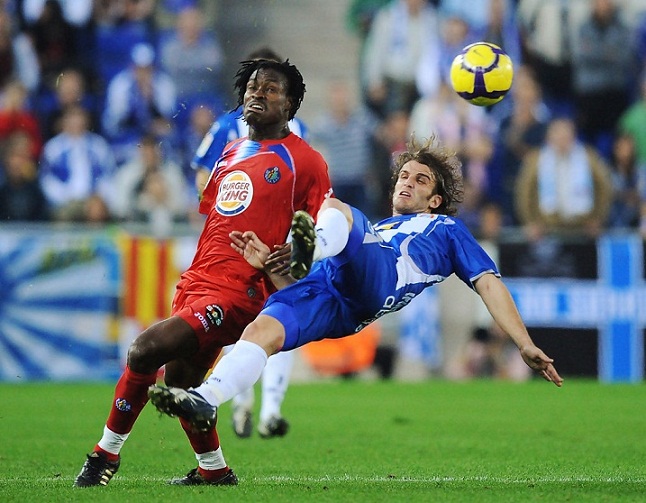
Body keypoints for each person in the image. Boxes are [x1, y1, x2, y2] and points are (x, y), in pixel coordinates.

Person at [147, 136, 564, 441]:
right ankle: (206, 398)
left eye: (421, 180)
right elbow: (301, 282)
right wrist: (274, 267)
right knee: (262, 331)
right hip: (336, 300)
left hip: (379, 275)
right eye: (404, 175)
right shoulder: (380, 227)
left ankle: (304, 250)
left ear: (435, 200)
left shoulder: (446, 229)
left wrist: (523, 342)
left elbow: (488, 284)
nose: (407, 182)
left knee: (337, 208)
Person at [73, 57, 332, 488]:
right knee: (180, 382)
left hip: (240, 292)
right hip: (197, 281)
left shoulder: (304, 161)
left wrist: (289, 258)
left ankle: (104, 456)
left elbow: (321, 229)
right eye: (252, 87)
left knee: (143, 350)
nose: (257, 93)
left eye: (270, 89)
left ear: (290, 105)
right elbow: (216, 218)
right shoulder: (231, 151)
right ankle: (214, 470)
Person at [191, 47, 308, 440]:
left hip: (269, 242)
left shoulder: (288, 129)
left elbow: (202, 178)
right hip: (243, 242)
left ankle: (266, 409)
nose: (263, 93)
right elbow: (205, 178)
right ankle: (249, 404)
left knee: (272, 317)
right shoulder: (230, 126)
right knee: (258, 316)